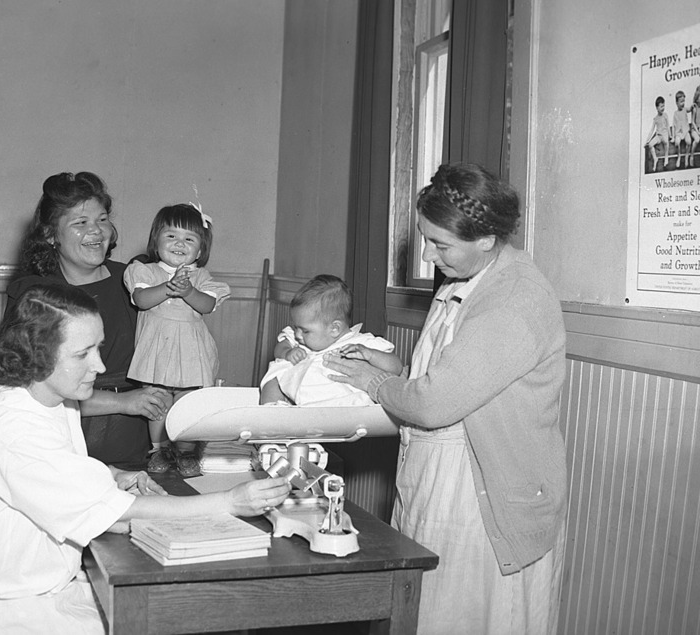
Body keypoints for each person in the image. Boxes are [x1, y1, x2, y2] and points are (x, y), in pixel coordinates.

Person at [0, 284, 289, 634]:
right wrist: (232, 501)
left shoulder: (46, 395)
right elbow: (120, 515)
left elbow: (54, 463)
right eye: (83, 353)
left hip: (32, 583)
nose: (100, 366)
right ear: (38, 355)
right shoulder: (12, 426)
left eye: (98, 347)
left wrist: (112, 473)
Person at [324, 162, 567, 635]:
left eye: (440, 244)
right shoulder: (464, 278)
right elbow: (439, 375)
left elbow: (434, 403)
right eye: (425, 238)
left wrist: (376, 387)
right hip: (442, 478)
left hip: (485, 491)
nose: (428, 253)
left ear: (487, 238)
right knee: (430, 610)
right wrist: (391, 370)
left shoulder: (516, 300)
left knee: (472, 615)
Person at [6, 171, 169, 465]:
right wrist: (124, 402)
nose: (96, 231)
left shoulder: (137, 281)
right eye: (80, 223)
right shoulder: (35, 295)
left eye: (103, 219)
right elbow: (30, 388)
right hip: (62, 447)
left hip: (139, 443)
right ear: (50, 234)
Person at [123, 204, 230, 472]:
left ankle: (185, 452)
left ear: (201, 250)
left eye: (189, 239)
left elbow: (206, 305)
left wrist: (188, 291)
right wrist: (169, 287)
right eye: (171, 236)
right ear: (155, 241)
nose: (179, 243)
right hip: (158, 349)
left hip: (192, 351)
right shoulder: (145, 271)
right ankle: (158, 451)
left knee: (186, 403)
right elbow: (142, 300)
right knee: (158, 401)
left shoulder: (202, 277)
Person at [259, 274, 394, 407]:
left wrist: (370, 354)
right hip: (299, 405)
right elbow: (280, 347)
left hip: (342, 407)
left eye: (305, 331)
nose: (298, 335)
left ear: (334, 328)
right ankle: (272, 410)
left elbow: (396, 367)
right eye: (296, 327)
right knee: (276, 371)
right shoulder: (298, 341)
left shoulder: (361, 344)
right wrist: (287, 352)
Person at [645, 96, 669, 171]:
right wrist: (647, 141)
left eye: (663, 106)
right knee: (650, 145)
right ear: (657, 108)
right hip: (658, 136)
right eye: (661, 106)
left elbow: (668, 126)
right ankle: (655, 158)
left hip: (664, 134)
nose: (663, 108)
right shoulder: (655, 118)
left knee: (666, 142)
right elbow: (652, 130)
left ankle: (666, 157)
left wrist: (671, 135)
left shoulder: (665, 115)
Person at [672, 90, 691, 169]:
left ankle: (686, 156)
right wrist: (673, 136)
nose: (683, 103)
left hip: (685, 131)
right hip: (679, 132)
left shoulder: (685, 109)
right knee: (677, 142)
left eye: (684, 101)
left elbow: (690, 109)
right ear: (676, 103)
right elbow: (674, 125)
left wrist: (693, 105)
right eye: (681, 102)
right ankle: (679, 156)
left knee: (689, 141)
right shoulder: (675, 113)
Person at [689, 85, 700, 168]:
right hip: (694, 129)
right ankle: (691, 156)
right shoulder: (694, 107)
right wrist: (698, 131)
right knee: (697, 139)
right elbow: (692, 122)